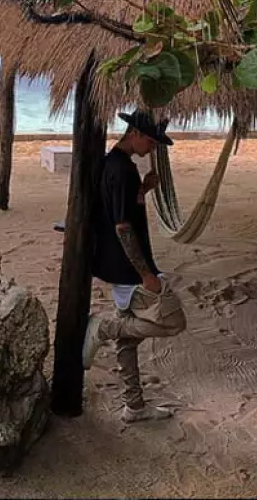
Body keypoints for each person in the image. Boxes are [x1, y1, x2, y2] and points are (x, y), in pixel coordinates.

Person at [82, 110, 187, 423]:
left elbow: (119, 208)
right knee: (173, 322)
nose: (153, 149)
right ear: (135, 134)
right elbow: (123, 227)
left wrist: (145, 189)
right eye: (152, 142)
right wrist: (146, 274)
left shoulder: (115, 166)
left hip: (118, 266)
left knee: (128, 341)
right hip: (128, 269)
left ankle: (134, 405)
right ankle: (103, 327)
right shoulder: (122, 170)